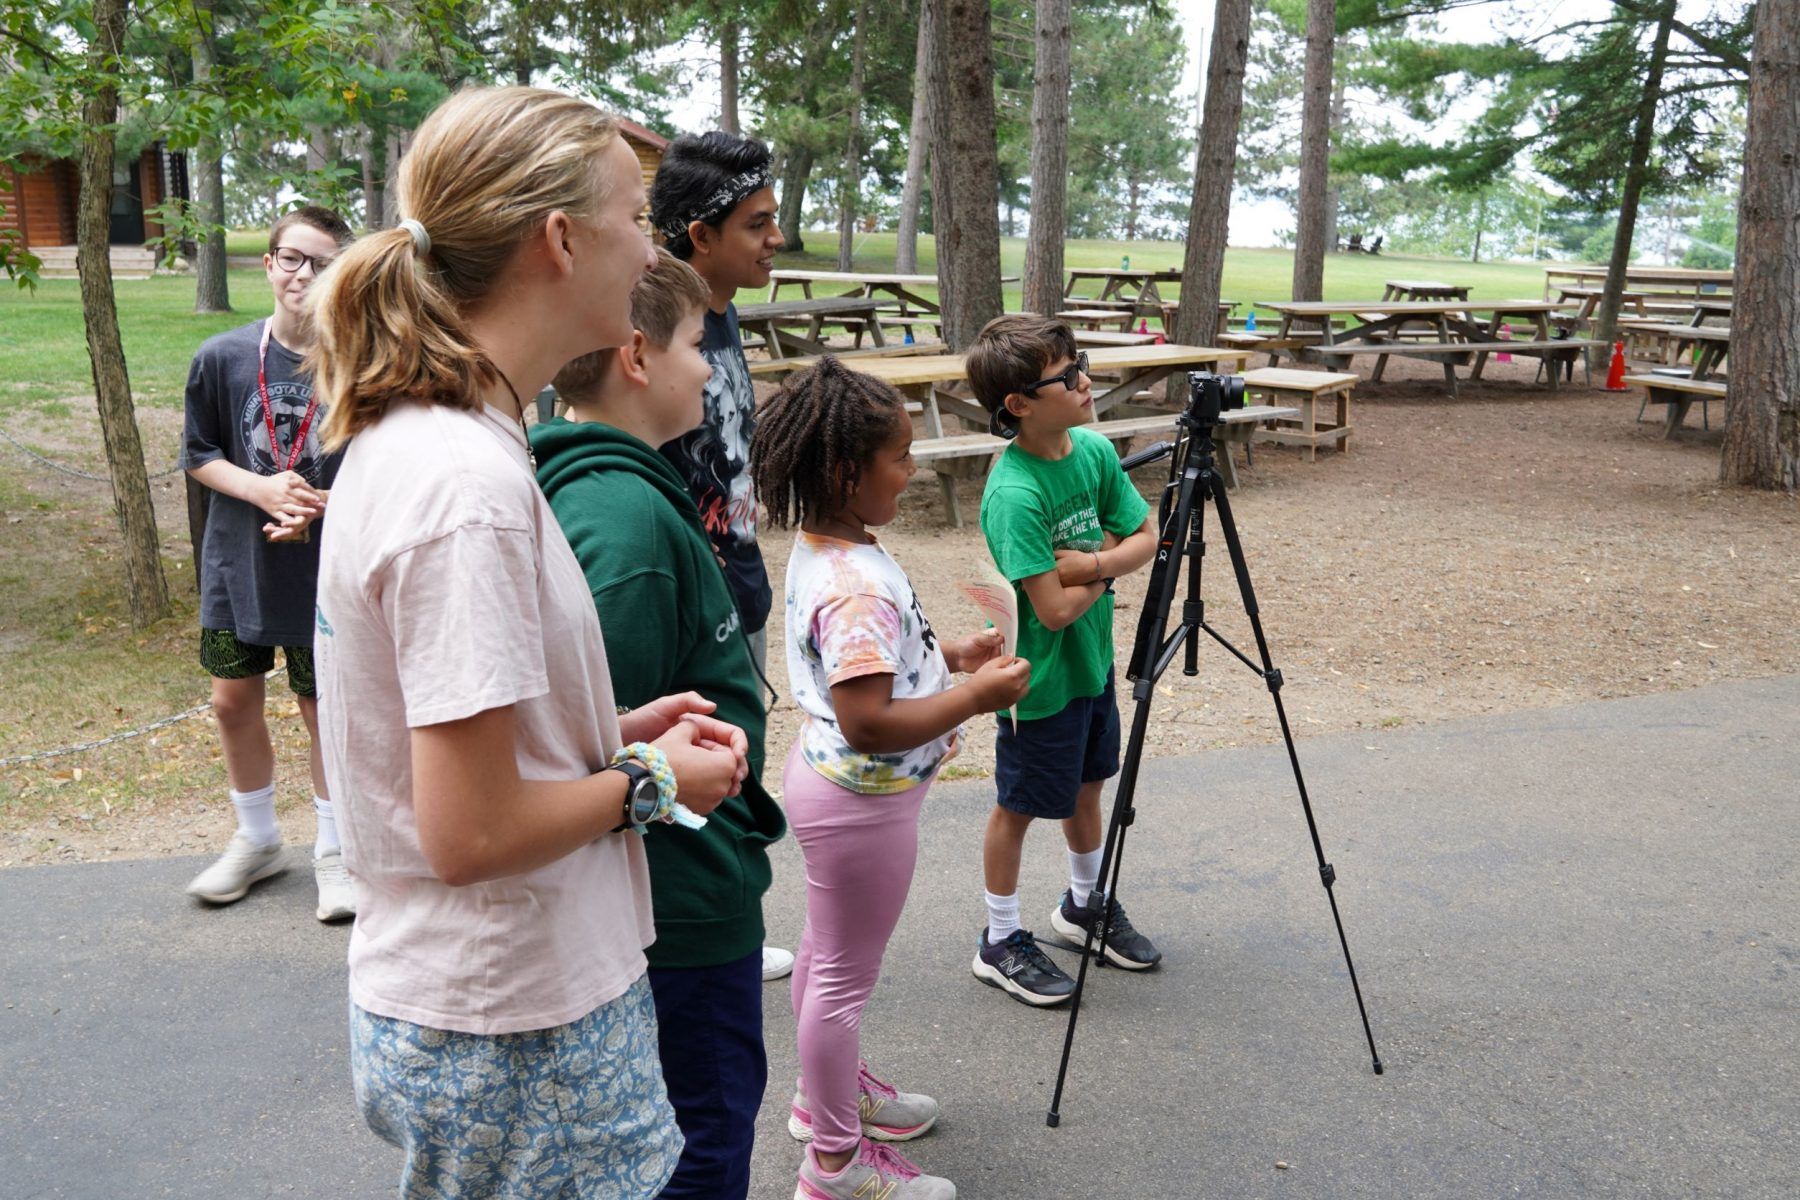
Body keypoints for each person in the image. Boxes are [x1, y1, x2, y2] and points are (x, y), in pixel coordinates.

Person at [306, 85, 749, 1198]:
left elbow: (448, 747)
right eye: (637, 217)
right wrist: (652, 778)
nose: (651, 246)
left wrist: (599, 732)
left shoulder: (437, 440)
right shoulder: (468, 488)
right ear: (560, 241)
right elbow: (471, 829)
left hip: (481, 1004)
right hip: (516, 1019)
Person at [531, 247, 787, 1199]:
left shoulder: (616, 491)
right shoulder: (626, 527)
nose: (707, 369)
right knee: (703, 1140)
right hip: (680, 911)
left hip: (677, 897)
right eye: (695, 345)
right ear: (637, 356)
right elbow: (580, 752)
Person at [750, 357, 1031, 1200]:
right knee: (839, 980)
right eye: (901, 458)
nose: (913, 472)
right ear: (845, 470)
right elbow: (870, 717)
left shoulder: (835, 549)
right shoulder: (856, 586)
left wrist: (948, 658)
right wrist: (977, 696)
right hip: (861, 802)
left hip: (832, 784)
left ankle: (823, 1101)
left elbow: (870, 675)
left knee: (825, 959)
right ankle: (833, 1165)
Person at [965, 314, 1164, 1007]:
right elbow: (1048, 611)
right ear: (1018, 404)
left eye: (1081, 364)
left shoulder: (1093, 452)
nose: (1086, 380)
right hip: (1038, 681)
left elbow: (1147, 531)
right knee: (1017, 806)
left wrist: (1095, 563)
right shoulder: (1014, 494)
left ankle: (1083, 906)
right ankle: (999, 937)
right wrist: (1111, 570)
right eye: (1067, 374)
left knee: (1088, 788)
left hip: (1091, 665)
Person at [650, 128, 796, 986]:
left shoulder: (723, 314)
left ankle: (733, 920)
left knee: (742, 756)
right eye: (757, 223)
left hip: (740, 584)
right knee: (699, 761)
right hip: (690, 599)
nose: (776, 237)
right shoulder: (655, 323)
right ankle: (695, 943)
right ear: (701, 236)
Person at [181, 204, 356, 921]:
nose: (303, 275)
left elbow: (374, 466)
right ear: (270, 263)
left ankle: (335, 852)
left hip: (321, 572)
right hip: (238, 567)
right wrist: (260, 490)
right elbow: (200, 455)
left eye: (321, 262)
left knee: (324, 713)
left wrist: (316, 507)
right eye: (293, 258)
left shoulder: (356, 365)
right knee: (231, 701)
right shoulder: (222, 357)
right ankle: (256, 839)